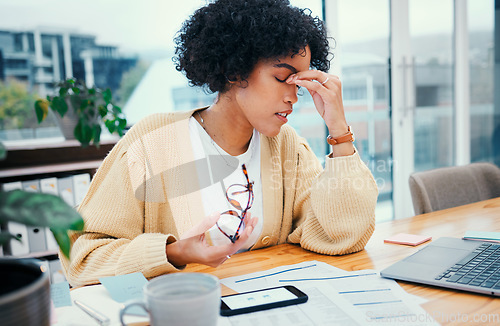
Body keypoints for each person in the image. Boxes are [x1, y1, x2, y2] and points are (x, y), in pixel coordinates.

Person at [61, 0, 378, 287]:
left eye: (301, 82)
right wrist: (173, 252)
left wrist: (339, 129)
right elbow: (83, 257)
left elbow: (342, 235)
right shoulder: (153, 141)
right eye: (283, 78)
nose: (295, 96)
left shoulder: (287, 146)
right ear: (234, 70)